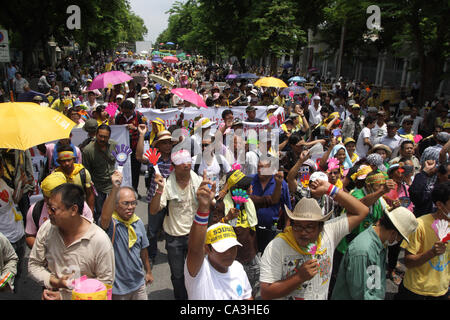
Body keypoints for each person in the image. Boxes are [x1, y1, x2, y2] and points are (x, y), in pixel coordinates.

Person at [259, 179, 369, 300]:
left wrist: (329, 188)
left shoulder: (329, 232)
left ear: (321, 227)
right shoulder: (277, 246)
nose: (303, 232)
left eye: (310, 227)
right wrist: (299, 277)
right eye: (298, 226)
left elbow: (362, 211)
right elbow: (266, 293)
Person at [28, 183, 115, 300]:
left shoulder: (99, 240)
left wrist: (64, 296)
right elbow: (34, 265)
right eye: (48, 207)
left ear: (73, 210)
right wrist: (55, 282)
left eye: (53, 209)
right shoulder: (47, 229)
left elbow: (104, 285)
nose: (48, 212)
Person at [184, 172, 253, 300]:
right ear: (208, 249)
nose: (230, 253)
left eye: (233, 247)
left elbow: (247, 297)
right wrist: (203, 208)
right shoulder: (199, 272)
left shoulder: (238, 268)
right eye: (223, 249)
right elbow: (194, 249)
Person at [149, 149, 203, 300]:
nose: (186, 165)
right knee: (178, 275)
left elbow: (208, 203)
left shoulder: (197, 179)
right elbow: (153, 210)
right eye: (181, 162)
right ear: (173, 165)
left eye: (188, 161)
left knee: (196, 272)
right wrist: (159, 190)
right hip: (174, 238)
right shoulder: (166, 183)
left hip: (194, 235)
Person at [331, 207, 418, 300]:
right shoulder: (362, 251)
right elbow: (361, 294)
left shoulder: (380, 245)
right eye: (400, 239)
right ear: (393, 233)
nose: (398, 242)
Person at [100, 170, 153, 300]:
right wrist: (115, 188)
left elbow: (143, 249)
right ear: (116, 205)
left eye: (133, 203)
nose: (131, 207)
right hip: (118, 289)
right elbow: (104, 218)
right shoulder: (111, 224)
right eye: (126, 203)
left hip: (139, 285)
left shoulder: (138, 222)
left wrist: (148, 272)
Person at [395, 182, 450, 300]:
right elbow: (408, 262)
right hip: (416, 291)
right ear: (440, 205)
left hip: (442, 291)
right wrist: (432, 253)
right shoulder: (420, 225)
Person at [136, 126, 174, 264]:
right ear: (159, 144)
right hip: (155, 196)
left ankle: (173, 253)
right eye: (164, 142)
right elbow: (139, 157)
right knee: (152, 230)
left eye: (170, 142)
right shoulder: (154, 156)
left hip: (172, 199)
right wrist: (141, 135)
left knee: (172, 229)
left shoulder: (176, 157)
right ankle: (151, 256)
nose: (168, 145)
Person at [25, 172, 93, 249]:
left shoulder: (81, 207)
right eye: (46, 197)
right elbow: (30, 236)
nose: (49, 202)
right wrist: (45, 251)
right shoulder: (35, 210)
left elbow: (90, 233)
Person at [251, 157, 292, 253]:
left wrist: (286, 230)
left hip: (271, 230)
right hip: (252, 230)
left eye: (263, 167)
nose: (259, 170)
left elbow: (287, 209)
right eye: (258, 167)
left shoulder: (281, 184)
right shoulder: (250, 180)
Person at [82, 124, 118, 223]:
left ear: (109, 137)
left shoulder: (114, 145)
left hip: (112, 185)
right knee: (99, 212)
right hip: (98, 187)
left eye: (105, 137)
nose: (102, 139)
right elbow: (86, 171)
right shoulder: (87, 151)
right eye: (100, 136)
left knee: (115, 210)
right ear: (96, 135)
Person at [115, 99, 147, 194]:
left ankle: (134, 190)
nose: (127, 114)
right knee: (122, 168)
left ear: (133, 109)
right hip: (123, 149)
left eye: (128, 112)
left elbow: (145, 129)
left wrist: (135, 128)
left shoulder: (140, 116)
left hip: (135, 148)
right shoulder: (119, 117)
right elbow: (116, 129)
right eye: (125, 112)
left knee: (135, 170)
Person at [53, 146, 95, 213]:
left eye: (69, 160)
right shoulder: (56, 175)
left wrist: (91, 213)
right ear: (58, 162)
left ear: (74, 159)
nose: (67, 163)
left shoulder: (83, 173)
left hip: (82, 211)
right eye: (63, 161)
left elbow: (90, 194)